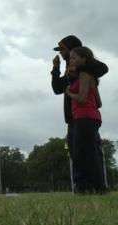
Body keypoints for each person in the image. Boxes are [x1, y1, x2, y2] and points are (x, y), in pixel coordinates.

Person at [51, 35, 108, 191]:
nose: (60, 53)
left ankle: (96, 186)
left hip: (85, 117)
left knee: (90, 153)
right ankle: (83, 186)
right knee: (77, 154)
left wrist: (78, 68)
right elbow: (57, 89)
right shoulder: (69, 71)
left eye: (62, 49)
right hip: (73, 118)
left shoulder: (84, 68)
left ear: (72, 49)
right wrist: (56, 69)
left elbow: (103, 68)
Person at [65, 46, 106, 194]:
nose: (71, 60)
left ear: (84, 59)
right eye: (70, 58)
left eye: (74, 57)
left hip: (84, 117)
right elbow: (99, 103)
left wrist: (69, 92)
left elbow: (82, 99)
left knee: (82, 155)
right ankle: (95, 187)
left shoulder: (84, 75)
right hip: (91, 117)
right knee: (87, 153)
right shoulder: (90, 76)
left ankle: (97, 187)